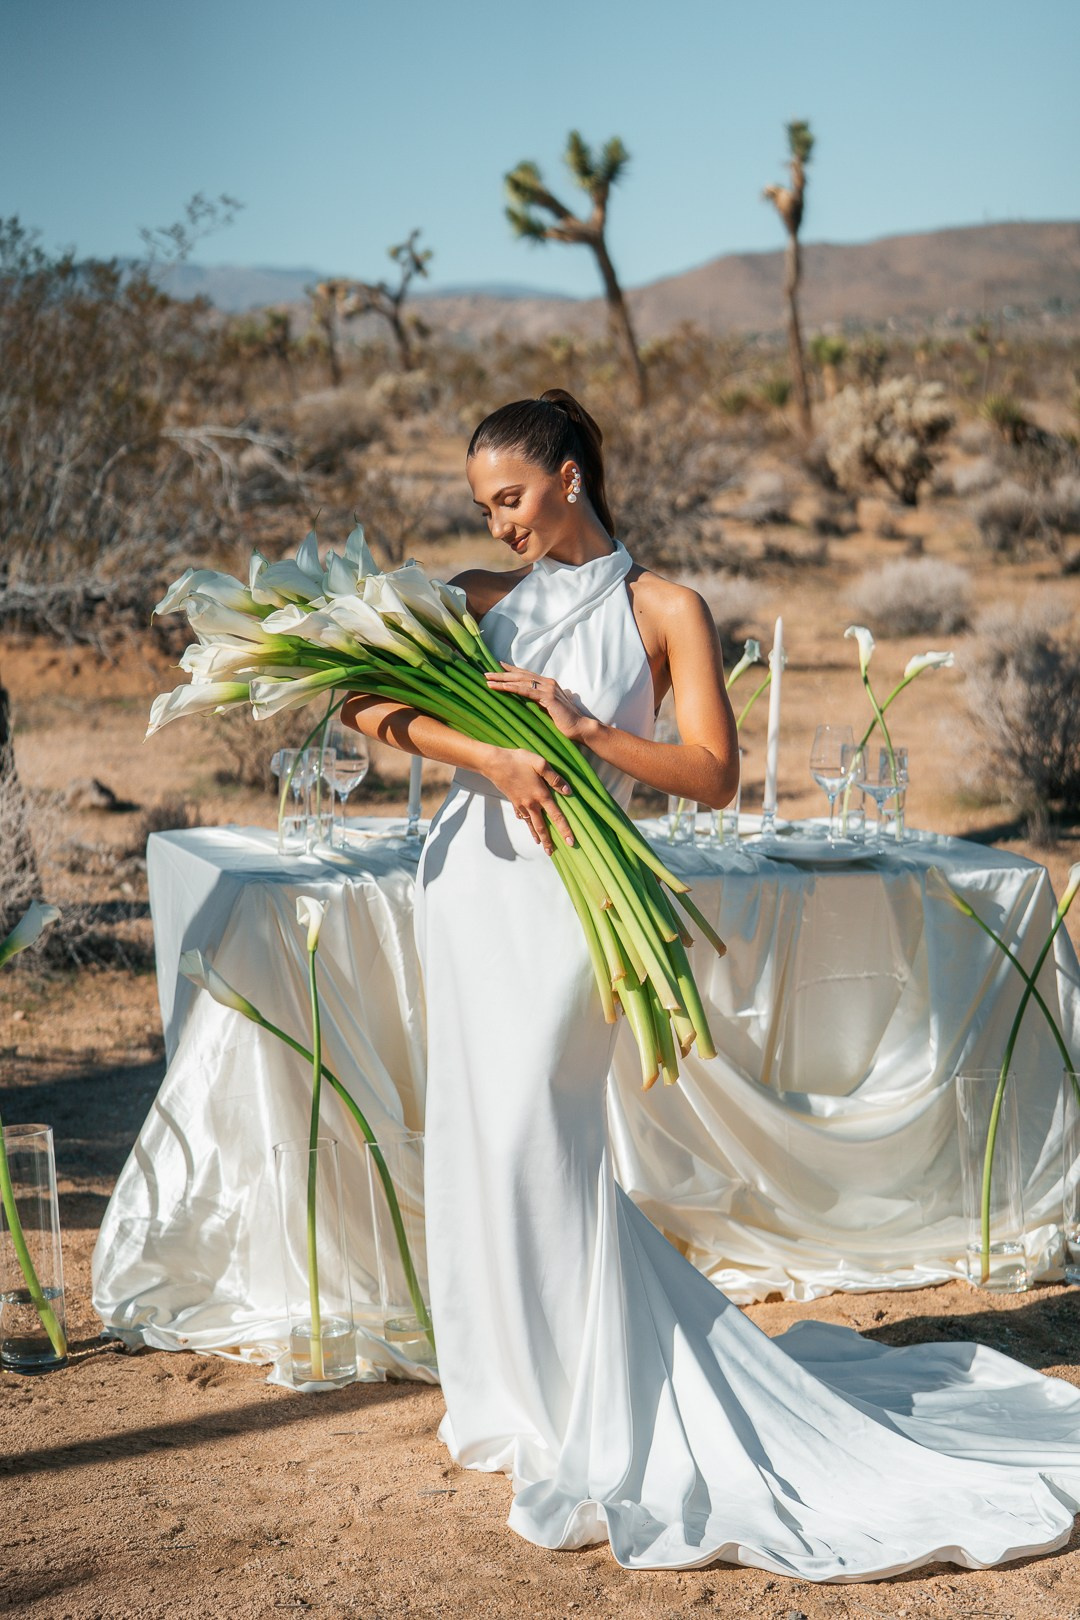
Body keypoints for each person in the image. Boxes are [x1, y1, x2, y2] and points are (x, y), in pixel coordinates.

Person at [341, 389, 1080, 1579]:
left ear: (571, 475)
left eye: (514, 498)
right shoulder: (474, 602)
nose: (501, 524)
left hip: (575, 903)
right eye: (484, 506)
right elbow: (359, 699)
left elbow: (711, 773)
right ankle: (509, 1393)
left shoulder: (665, 609)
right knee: (478, 1136)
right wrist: (489, 754)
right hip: (468, 891)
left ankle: (592, 1387)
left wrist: (581, 731)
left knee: (543, 1128)